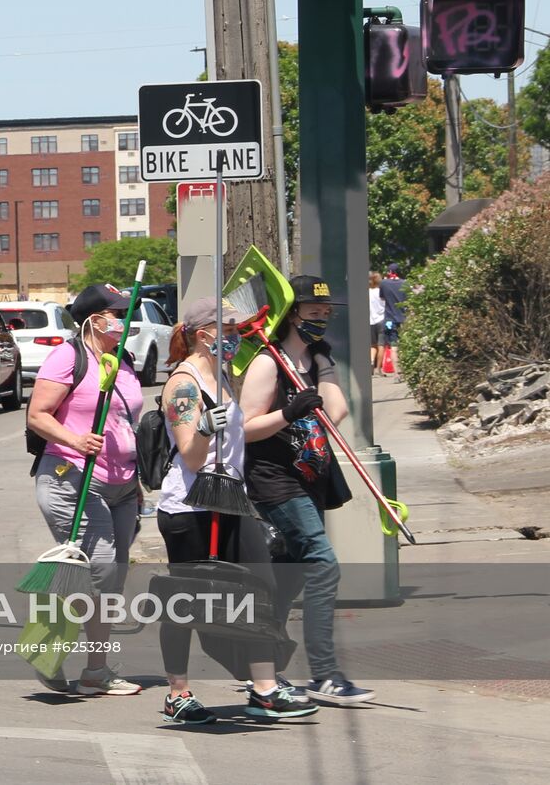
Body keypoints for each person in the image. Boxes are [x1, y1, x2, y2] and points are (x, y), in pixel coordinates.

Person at [155, 297, 317, 725]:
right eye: (230, 330)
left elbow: (241, 431)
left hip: (231, 499)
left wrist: (288, 413)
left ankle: (264, 688)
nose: (238, 338)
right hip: (190, 506)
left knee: (260, 587)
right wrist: (207, 425)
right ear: (205, 334)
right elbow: (191, 456)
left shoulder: (224, 376)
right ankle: (178, 693)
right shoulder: (183, 384)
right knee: (186, 601)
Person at [241, 275, 373, 706]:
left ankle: (262, 664)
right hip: (274, 482)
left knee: (288, 578)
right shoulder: (267, 362)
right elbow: (243, 429)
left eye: (326, 312)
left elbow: (336, 411)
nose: (321, 318)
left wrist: (323, 367)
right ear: (291, 314)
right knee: (322, 563)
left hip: (311, 478)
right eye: (313, 312)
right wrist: (288, 410)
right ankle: (325, 674)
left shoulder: (315, 360)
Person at [24, 283, 144, 696]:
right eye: (118, 313)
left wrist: (136, 477)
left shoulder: (122, 358)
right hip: (71, 476)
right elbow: (38, 414)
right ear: (95, 319)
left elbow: (124, 422)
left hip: (123, 484)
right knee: (101, 569)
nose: (127, 319)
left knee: (111, 577)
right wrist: (75, 441)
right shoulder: (68, 356)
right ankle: (48, 648)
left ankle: (94, 669)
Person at [379, 265, 407, 376]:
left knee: (393, 346)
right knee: (404, 345)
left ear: (390, 272)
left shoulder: (384, 283)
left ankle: (396, 374)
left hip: (389, 320)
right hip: (404, 319)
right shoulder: (405, 283)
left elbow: (381, 298)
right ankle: (405, 370)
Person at [367, 273, 385, 372]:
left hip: (370, 321)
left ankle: (371, 361)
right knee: (381, 345)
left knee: (372, 345)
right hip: (381, 319)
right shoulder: (380, 292)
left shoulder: (368, 292)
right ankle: (379, 368)